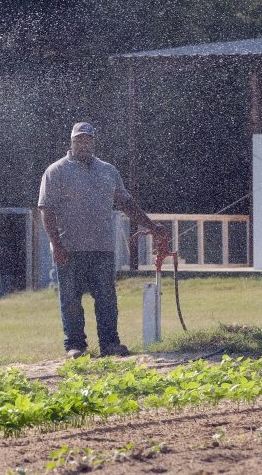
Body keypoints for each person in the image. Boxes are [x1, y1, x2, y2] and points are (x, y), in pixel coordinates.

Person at [38, 122, 167, 358]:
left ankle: (110, 344)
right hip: (69, 248)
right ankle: (75, 346)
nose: (83, 144)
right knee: (70, 300)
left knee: (107, 299)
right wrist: (56, 245)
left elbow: (127, 203)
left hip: (102, 248)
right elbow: (46, 210)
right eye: (79, 140)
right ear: (72, 142)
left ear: (93, 142)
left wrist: (151, 225)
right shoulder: (55, 171)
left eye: (87, 140)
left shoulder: (108, 171)